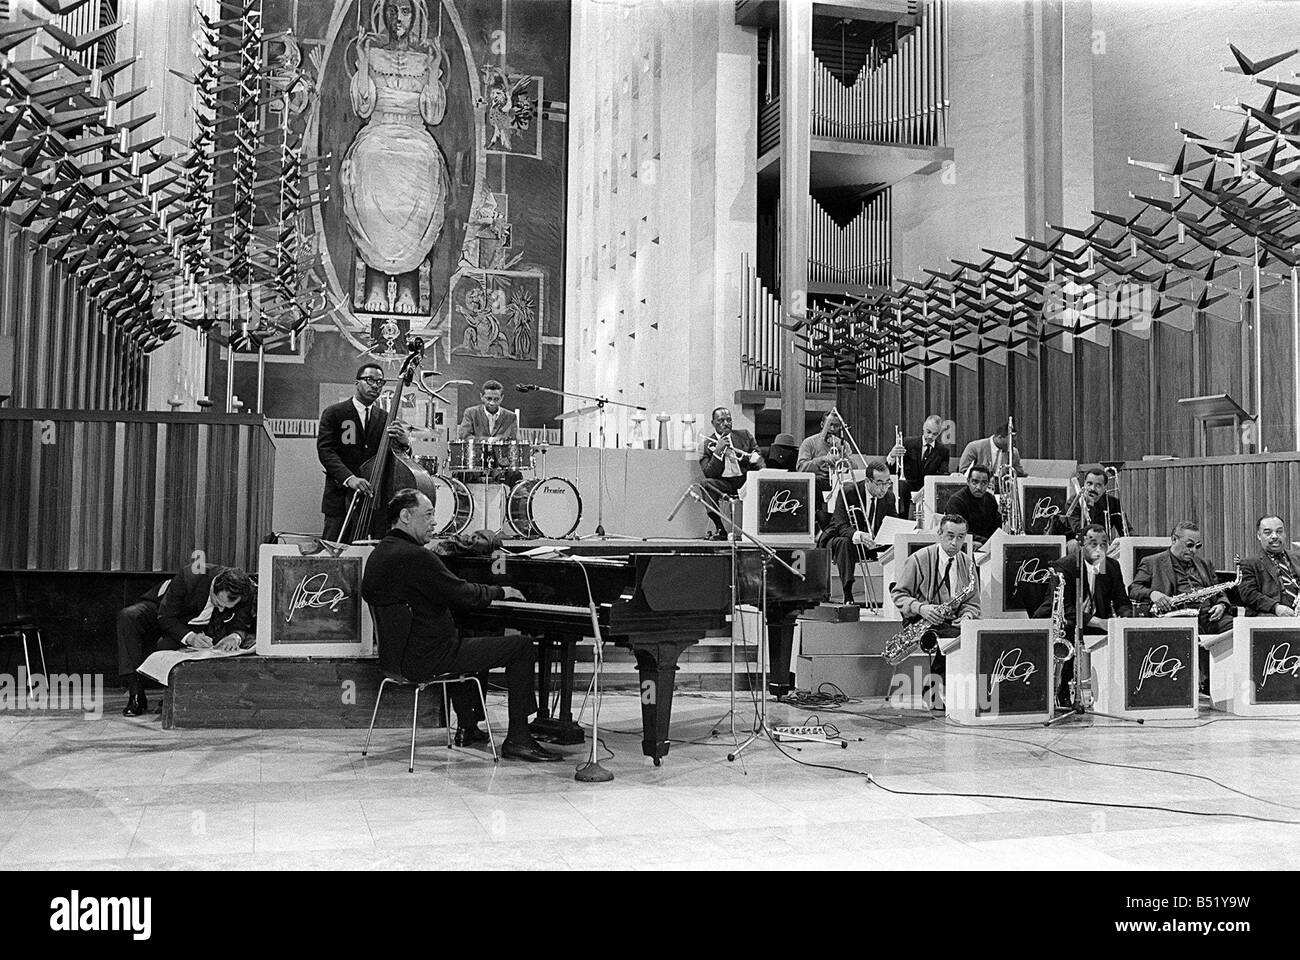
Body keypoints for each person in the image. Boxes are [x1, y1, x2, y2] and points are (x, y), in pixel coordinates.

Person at [360, 488, 561, 761]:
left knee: (464, 635)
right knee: (522, 647)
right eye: (428, 514)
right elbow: (462, 592)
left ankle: (468, 727)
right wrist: (501, 592)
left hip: (395, 661)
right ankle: (519, 739)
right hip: (428, 658)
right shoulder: (416, 556)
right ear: (405, 516)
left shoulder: (379, 555)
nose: (434, 521)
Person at [341, 0, 449, 314]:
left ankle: (407, 289)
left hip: (416, 136)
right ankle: (375, 282)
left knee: (424, 162)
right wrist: (362, 62)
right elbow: (363, 108)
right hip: (377, 132)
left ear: (416, 16)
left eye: (404, 11)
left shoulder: (425, 57)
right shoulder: (373, 55)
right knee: (368, 158)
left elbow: (434, 114)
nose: (397, 18)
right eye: (391, 10)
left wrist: (432, 71)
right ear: (381, 14)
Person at [116, 565, 255, 717]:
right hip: (165, 610)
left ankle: (175, 694)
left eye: (227, 607)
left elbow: (241, 625)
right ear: (213, 587)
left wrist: (234, 637)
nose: (222, 610)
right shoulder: (191, 576)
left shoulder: (244, 590)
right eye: (218, 603)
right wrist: (191, 637)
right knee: (128, 617)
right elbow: (165, 617)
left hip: (202, 628)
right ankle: (136, 693)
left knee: (166, 644)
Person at [1130, 521, 1233, 696]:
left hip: (1208, 614)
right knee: (1191, 629)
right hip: (1176, 615)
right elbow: (1133, 589)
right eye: (1189, 545)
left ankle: (1224, 683)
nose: (1192, 550)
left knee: (1236, 627)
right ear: (1174, 539)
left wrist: (1221, 604)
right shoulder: (1151, 562)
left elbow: (1218, 589)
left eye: (1197, 546)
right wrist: (1153, 594)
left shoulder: (1204, 563)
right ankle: (1198, 682)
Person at [1035, 524, 1132, 707]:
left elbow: (1122, 600)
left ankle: (1110, 692)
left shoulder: (1111, 566)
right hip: (1063, 619)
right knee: (1070, 630)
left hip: (1095, 620)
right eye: (1092, 543)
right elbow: (1066, 607)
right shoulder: (1065, 566)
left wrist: (1124, 619)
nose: (1099, 549)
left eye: (1104, 544)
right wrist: (1099, 622)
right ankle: (1061, 689)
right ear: (1081, 544)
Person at [892, 514, 981, 709]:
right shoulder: (919, 558)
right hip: (921, 619)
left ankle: (953, 694)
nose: (955, 542)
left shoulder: (968, 563)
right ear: (939, 534)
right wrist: (921, 608)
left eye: (960, 537)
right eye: (950, 536)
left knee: (969, 634)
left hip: (952, 620)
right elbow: (898, 594)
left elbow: (973, 602)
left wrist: (967, 615)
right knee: (952, 637)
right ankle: (934, 693)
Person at [317, 362, 409, 542]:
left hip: (374, 503)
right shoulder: (334, 413)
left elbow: (394, 457)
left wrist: (404, 444)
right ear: (356, 383)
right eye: (369, 380)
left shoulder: (385, 418)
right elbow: (326, 452)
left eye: (380, 382)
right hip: (340, 500)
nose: (375, 385)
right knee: (335, 553)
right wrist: (350, 479)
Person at [821, 459, 897, 605]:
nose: (884, 488)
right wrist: (859, 535)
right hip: (842, 539)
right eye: (879, 483)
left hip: (872, 543)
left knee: (899, 544)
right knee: (845, 543)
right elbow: (839, 524)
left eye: (887, 482)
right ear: (868, 481)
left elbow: (892, 522)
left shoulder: (889, 497)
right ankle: (847, 593)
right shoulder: (849, 492)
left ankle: (896, 595)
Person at [696, 406, 763, 540]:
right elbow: (709, 473)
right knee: (705, 484)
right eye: (721, 420)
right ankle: (720, 528)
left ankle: (761, 528)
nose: (726, 423)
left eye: (729, 420)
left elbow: (758, 456)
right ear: (712, 423)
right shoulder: (706, 445)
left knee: (762, 481)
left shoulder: (745, 435)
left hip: (744, 479)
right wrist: (718, 451)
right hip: (724, 482)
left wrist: (756, 459)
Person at [456, 379, 523, 487]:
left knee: (515, 476)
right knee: (460, 474)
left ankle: (513, 502)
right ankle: (463, 503)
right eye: (488, 399)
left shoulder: (511, 417)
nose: (492, 402)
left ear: (502, 398)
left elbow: (515, 441)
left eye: (496, 399)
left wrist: (504, 443)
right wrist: (488, 440)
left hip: (501, 464)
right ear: (481, 397)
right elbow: (464, 436)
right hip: (476, 461)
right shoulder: (470, 413)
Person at [887, 414, 950, 518]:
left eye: (935, 434)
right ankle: (901, 519)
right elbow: (892, 469)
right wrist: (892, 456)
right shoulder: (907, 443)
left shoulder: (943, 451)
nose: (930, 436)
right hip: (907, 485)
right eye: (928, 432)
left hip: (928, 487)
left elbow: (943, 473)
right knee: (901, 485)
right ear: (923, 428)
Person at [797, 412, 850, 530]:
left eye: (836, 426)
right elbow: (801, 467)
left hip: (839, 481)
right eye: (829, 425)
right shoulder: (809, 442)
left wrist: (842, 452)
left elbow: (854, 468)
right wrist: (823, 459)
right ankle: (822, 523)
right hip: (819, 481)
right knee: (815, 483)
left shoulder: (844, 444)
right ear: (822, 424)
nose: (832, 429)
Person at [1239, 515, 1300, 616]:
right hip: (1269, 615)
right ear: (1259, 535)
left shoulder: (1297, 557)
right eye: (1268, 533)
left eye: (1279, 531)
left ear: (1285, 534)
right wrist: (1276, 607)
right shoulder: (1248, 563)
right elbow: (1248, 594)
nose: (1275, 536)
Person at [1051, 467, 1130, 539]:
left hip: (1101, 543)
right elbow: (1080, 531)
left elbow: (1126, 530)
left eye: (1098, 485)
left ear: (1104, 488)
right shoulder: (1073, 501)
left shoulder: (1113, 503)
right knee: (1075, 545)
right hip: (1077, 540)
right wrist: (1090, 505)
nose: (1092, 488)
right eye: (1089, 484)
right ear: (1084, 484)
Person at [944, 463, 1003, 546]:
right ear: (968, 481)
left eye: (983, 483)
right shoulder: (956, 501)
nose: (979, 487)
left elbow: (996, 527)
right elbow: (957, 531)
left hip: (988, 545)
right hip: (964, 545)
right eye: (975, 482)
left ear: (988, 484)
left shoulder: (990, 499)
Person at [958, 421, 1024, 478]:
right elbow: (963, 471)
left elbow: (1019, 474)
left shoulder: (1014, 452)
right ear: (999, 437)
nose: (1013, 444)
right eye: (1011, 441)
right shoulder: (974, 447)